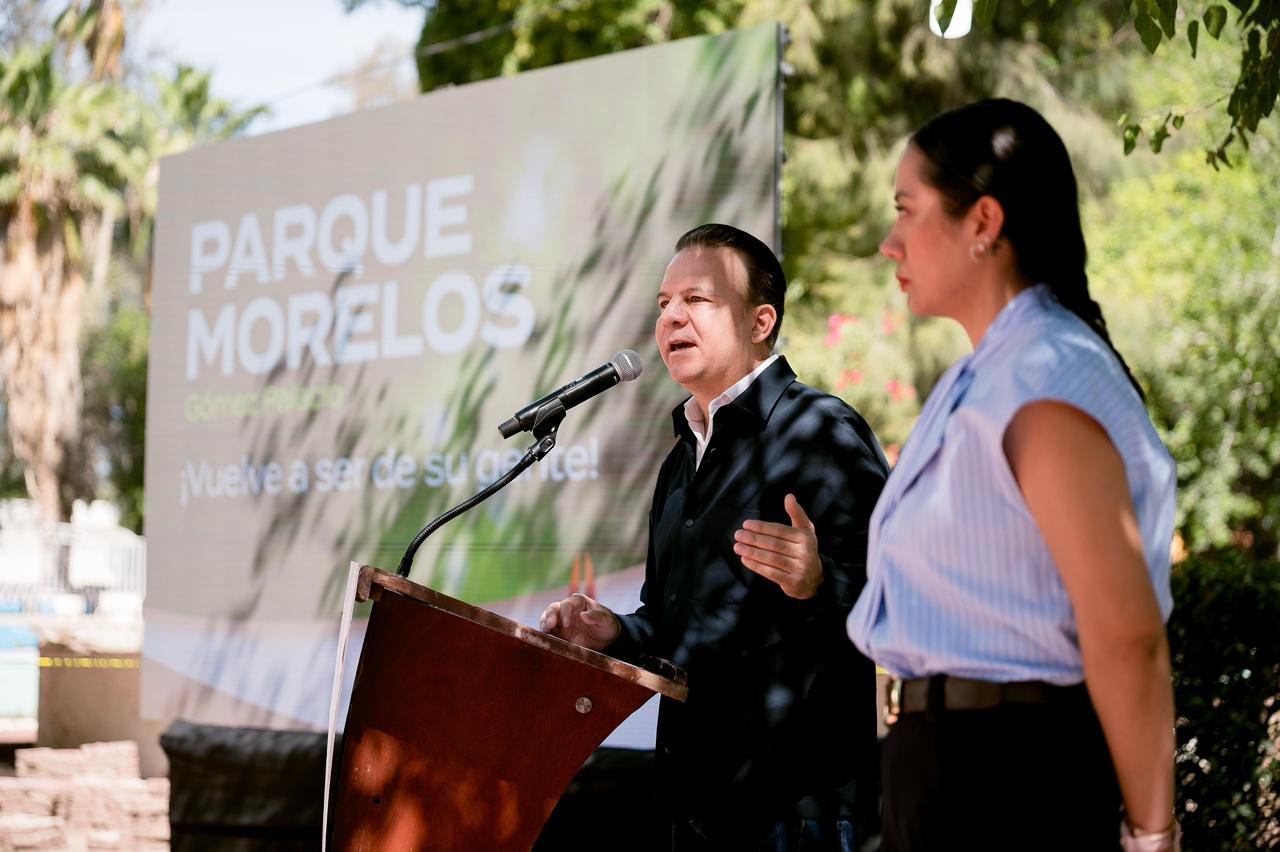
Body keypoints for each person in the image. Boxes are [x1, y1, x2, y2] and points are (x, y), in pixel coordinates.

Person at [846, 99, 1179, 851]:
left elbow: (1127, 637)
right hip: (952, 774)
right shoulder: (985, 377)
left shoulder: (1045, 377)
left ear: (984, 222)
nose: (890, 243)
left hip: (1007, 780)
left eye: (906, 210)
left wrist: (1153, 838)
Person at [540, 223, 889, 850]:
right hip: (692, 803)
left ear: (760, 322)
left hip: (795, 811)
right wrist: (614, 633)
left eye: (696, 299)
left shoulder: (822, 432)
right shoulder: (680, 461)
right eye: (663, 303)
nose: (671, 317)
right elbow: (673, 626)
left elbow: (897, 598)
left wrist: (820, 581)